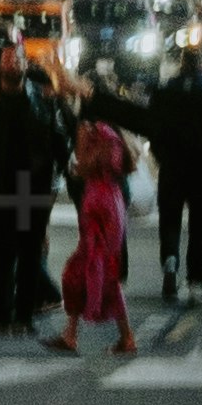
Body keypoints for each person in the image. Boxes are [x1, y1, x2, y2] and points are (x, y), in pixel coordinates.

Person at [151, 44, 202, 309]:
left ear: (181, 64)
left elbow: (154, 130)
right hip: (201, 168)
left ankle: (170, 260)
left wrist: (161, 156)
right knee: (199, 222)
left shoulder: (165, 90)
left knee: (170, 218)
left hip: (171, 166)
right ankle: (196, 275)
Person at [64, 99, 132, 352]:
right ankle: (71, 333)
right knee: (92, 269)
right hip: (109, 202)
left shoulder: (98, 134)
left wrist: (80, 146)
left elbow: (84, 166)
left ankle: (75, 334)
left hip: (98, 205)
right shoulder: (114, 134)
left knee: (88, 269)